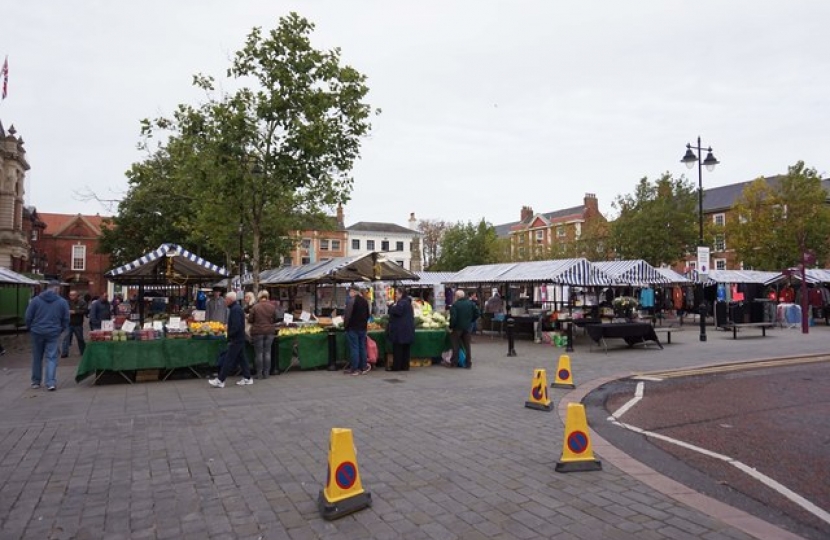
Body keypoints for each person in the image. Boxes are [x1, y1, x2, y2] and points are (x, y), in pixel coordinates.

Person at [25, 280, 70, 391]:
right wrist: (61, 328)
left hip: (37, 331)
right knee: (51, 357)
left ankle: (36, 381)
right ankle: (50, 382)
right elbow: (66, 318)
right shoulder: (62, 302)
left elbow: (28, 316)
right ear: (57, 289)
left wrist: (31, 327)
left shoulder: (35, 300)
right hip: (53, 332)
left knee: (37, 357)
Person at [209, 291, 253, 388]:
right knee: (242, 359)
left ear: (230, 300)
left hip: (236, 339)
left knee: (228, 359)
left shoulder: (235, 310)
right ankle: (247, 378)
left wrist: (230, 334)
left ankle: (220, 380)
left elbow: (236, 326)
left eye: (226, 299)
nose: (225, 301)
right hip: (239, 338)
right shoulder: (236, 308)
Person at [248, 290, 277, 379]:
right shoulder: (272, 307)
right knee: (267, 352)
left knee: (259, 353)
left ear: (259, 297)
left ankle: (259, 373)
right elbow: (275, 319)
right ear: (267, 297)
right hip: (270, 331)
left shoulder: (255, 307)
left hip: (258, 332)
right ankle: (266, 373)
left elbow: (250, 320)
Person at [343, 284, 371, 375]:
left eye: (350, 291)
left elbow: (347, 316)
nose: (349, 293)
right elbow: (368, 315)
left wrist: (346, 326)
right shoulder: (365, 301)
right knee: (362, 347)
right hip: (362, 328)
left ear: (354, 291)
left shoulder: (351, 301)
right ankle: (363, 367)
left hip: (353, 328)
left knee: (354, 348)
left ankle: (354, 369)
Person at [449, 290, 479, 369]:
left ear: (457, 297)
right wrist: (471, 320)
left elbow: (453, 318)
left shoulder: (455, 305)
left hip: (457, 328)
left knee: (455, 345)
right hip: (467, 327)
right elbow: (477, 313)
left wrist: (451, 326)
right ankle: (468, 363)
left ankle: (454, 362)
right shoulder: (471, 303)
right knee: (467, 346)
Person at [387, 287, 415, 371]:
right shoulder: (407, 302)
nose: (395, 295)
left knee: (398, 349)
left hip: (400, 330)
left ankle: (397, 367)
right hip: (407, 329)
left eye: (397, 293)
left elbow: (397, 312)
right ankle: (405, 366)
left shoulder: (402, 303)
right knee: (406, 349)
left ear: (401, 293)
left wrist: (391, 305)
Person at [61, 290, 87, 358]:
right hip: (68, 323)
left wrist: (75, 312)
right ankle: (64, 353)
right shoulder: (67, 302)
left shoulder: (82, 302)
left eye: (73, 295)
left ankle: (83, 351)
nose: (71, 296)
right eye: (70, 295)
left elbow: (85, 311)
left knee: (80, 338)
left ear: (77, 295)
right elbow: (62, 310)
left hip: (77, 324)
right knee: (66, 338)